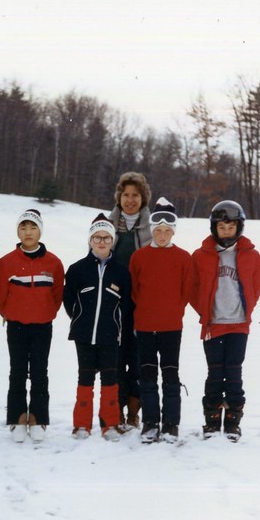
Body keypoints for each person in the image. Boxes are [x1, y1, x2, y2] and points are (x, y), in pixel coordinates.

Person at [189, 200, 260, 442]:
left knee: (234, 373)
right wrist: (204, 312)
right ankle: (212, 420)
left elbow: (257, 284)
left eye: (231, 227)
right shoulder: (200, 256)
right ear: (214, 228)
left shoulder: (251, 256)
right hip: (213, 325)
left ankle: (233, 421)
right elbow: (192, 287)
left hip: (239, 325)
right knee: (214, 373)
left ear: (239, 227)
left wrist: (247, 308)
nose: (226, 232)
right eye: (222, 227)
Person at [0, 208, 64, 443]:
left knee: (40, 372)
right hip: (17, 326)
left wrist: (48, 312)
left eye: (33, 227)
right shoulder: (7, 262)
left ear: (40, 231)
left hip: (42, 326)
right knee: (17, 371)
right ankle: (17, 417)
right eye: (23, 227)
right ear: (18, 232)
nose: (28, 232)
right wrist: (10, 313)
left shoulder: (53, 263)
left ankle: (38, 418)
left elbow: (57, 295)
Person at [62, 213, 133, 441]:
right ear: (90, 240)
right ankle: (82, 425)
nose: (101, 242)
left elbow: (127, 304)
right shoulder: (77, 269)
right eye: (97, 237)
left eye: (106, 238)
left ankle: (109, 424)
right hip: (84, 335)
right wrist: (80, 318)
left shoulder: (121, 272)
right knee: (85, 379)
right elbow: (68, 300)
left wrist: (115, 323)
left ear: (112, 241)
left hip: (110, 335)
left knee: (110, 380)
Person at [129, 197, 192, 443]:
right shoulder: (139, 257)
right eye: (158, 230)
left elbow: (186, 291)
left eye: (167, 231)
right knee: (147, 375)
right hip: (145, 326)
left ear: (173, 232)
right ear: (152, 230)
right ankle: (150, 422)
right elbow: (135, 290)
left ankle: (171, 423)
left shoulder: (183, 258)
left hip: (171, 327)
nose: (162, 235)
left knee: (170, 374)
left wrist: (172, 311)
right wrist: (147, 310)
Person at [108, 171, 153, 430]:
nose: (130, 200)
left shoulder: (152, 227)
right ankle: (116, 410)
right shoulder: (107, 224)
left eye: (135, 195)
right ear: (119, 197)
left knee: (137, 357)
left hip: (141, 303)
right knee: (116, 357)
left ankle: (134, 412)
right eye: (126, 194)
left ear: (143, 198)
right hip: (114, 303)